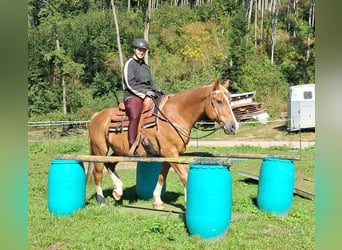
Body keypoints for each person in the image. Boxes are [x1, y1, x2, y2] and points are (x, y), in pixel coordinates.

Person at [122, 38, 163, 156]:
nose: (142, 52)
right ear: (134, 50)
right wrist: (145, 93)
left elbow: (150, 82)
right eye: (140, 50)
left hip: (147, 94)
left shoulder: (145, 66)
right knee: (135, 115)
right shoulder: (129, 63)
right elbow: (130, 84)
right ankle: (132, 145)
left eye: (144, 50)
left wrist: (156, 90)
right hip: (132, 95)